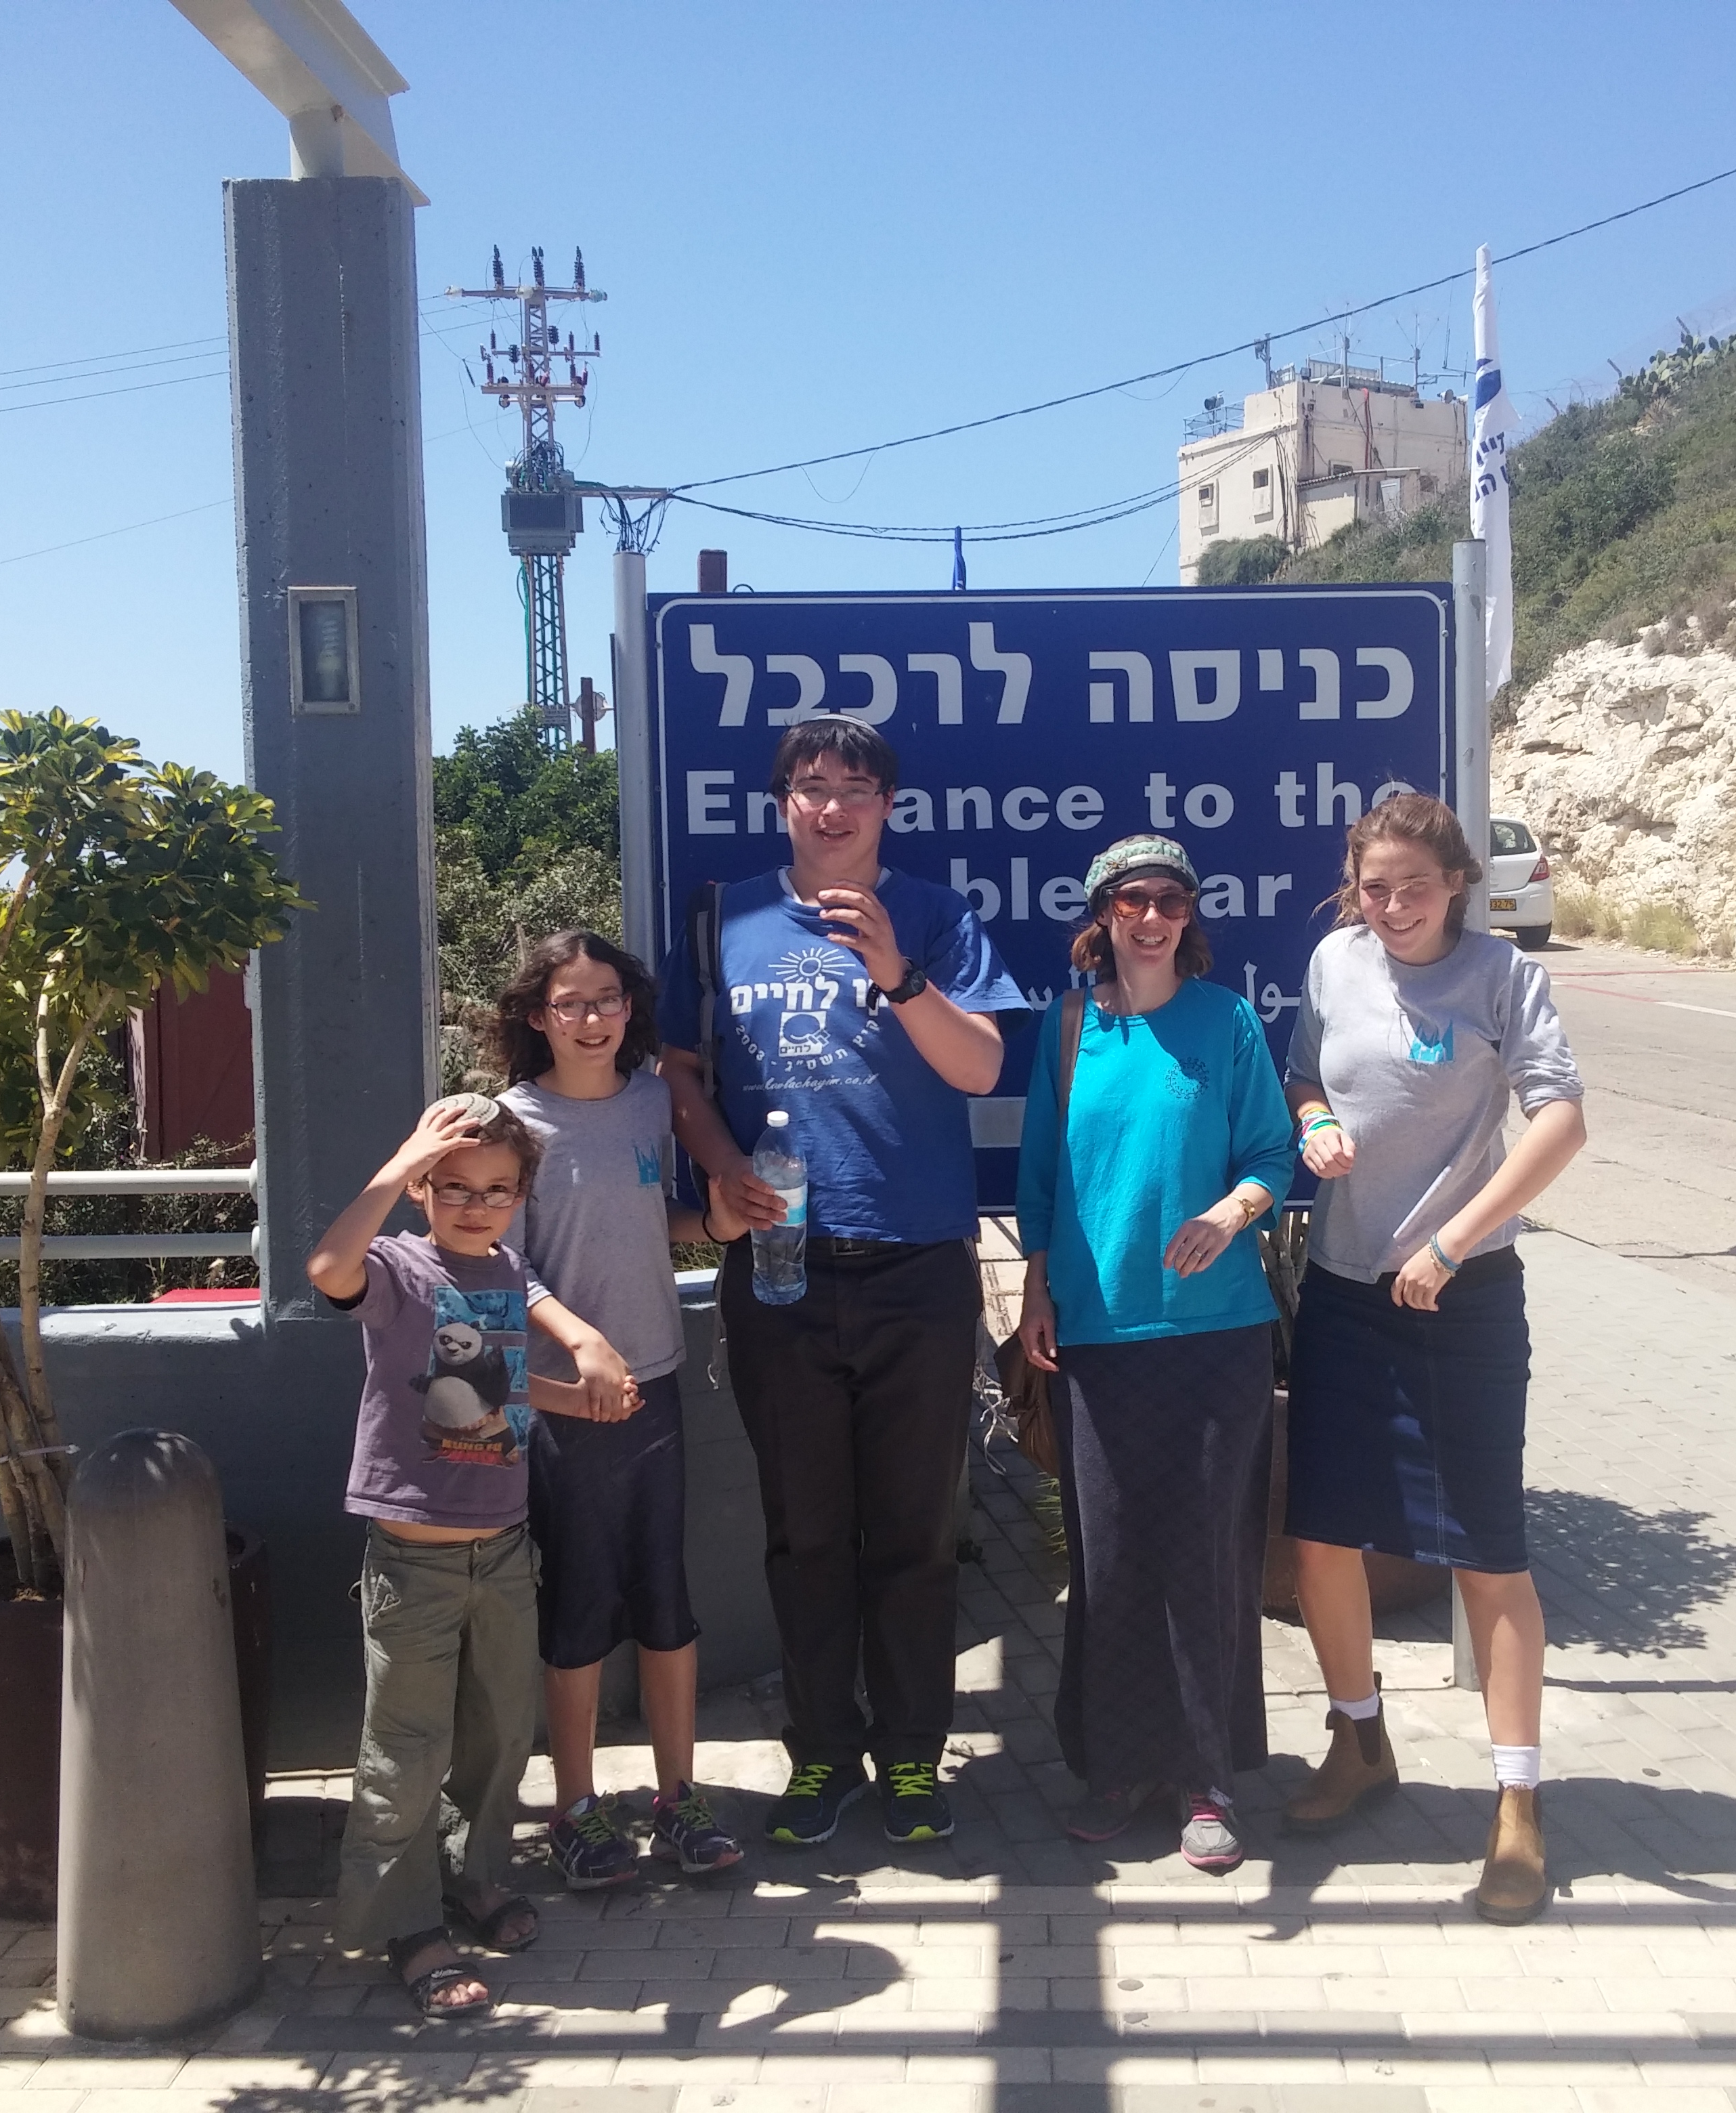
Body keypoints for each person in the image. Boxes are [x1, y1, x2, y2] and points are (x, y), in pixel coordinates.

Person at [659, 712, 1025, 1848]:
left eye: (854, 788)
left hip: (917, 1265)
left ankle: (913, 1754)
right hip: (778, 1272)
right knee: (806, 1535)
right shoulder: (725, 918)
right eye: (810, 786)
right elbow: (679, 1071)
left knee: (915, 1533)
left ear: (886, 807)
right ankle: (822, 1753)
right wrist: (719, 1170)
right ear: (783, 803)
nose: (831, 807)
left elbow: (983, 1067)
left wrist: (896, 973)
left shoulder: (936, 917)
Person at [1278, 792, 1589, 1924]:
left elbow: (1561, 1121)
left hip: (1465, 1300)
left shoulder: (1504, 976)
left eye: (1415, 885)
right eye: (1375, 887)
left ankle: (1518, 1804)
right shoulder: (1333, 962)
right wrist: (1313, 1121)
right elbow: (1305, 1074)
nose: (1395, 906)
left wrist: (1456, 1242)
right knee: (1321, 1536)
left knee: (1488, 1554)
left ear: (1458, 882)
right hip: (1344, 1292)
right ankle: (1360, 1743)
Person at [305, 1092, 636, 2018]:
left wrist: (591, 1382)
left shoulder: (508, 1270)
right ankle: (409, 1925)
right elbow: (327, 1267)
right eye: (453, 1186)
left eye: (497, 1190)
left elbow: (503, 1390)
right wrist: (402, 1157)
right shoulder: (399, 1268)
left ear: (521, 1197)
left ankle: (472, 1875)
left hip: (504, 1552)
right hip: (413, 1563)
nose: (476, 1205)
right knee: (406, 1750)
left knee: (497, 1736)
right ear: (422, 1188)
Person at [1015, 835, 1295, 1873]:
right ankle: (1120, 1768)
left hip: (1217, 1336)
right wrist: (1036, 1290)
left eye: (1171, 901)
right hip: (1099, 1335)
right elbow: (1039, 1175)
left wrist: (1231, 1212)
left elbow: (1272, 1154)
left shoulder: (1227, 1022)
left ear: (1189, 917)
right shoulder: (1069, 1027)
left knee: (1208, 1559)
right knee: (1114, 1559)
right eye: (1132, 899)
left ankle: (1207, 1779)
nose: (1152, 917)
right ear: (1103, 913)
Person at [496, 929, 750, 1887]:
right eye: (570, 1003)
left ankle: (679, 1800)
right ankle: (575, 1809)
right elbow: (499, 1266)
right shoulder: (509, 1120)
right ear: (538, 1017)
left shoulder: (651, 1103)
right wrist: (581, 1345)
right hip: (566, 1403)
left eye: (607, 999)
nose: (592, 1018)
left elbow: (658, 1221)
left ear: (631, 1009)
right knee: (577, 1601)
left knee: (665, 1599)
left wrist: (715, 1223)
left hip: (656, 1385)